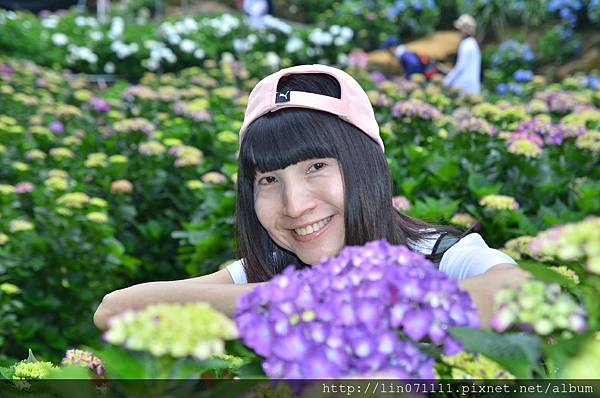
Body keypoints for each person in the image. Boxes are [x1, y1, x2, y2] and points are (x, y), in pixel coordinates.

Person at [94, 64, 529, 331]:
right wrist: (291, 300)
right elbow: (114, 310)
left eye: (316, 167)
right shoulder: (270, 268)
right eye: (268, 180)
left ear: (367, 167)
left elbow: (518, 294)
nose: (294, 205)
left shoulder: (442, 255)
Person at [443, 14, 481, 94]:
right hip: (474, 88)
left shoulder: (465, 45)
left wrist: (446, 82)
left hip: (462, 87)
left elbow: (460, 67)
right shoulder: (474, 44)